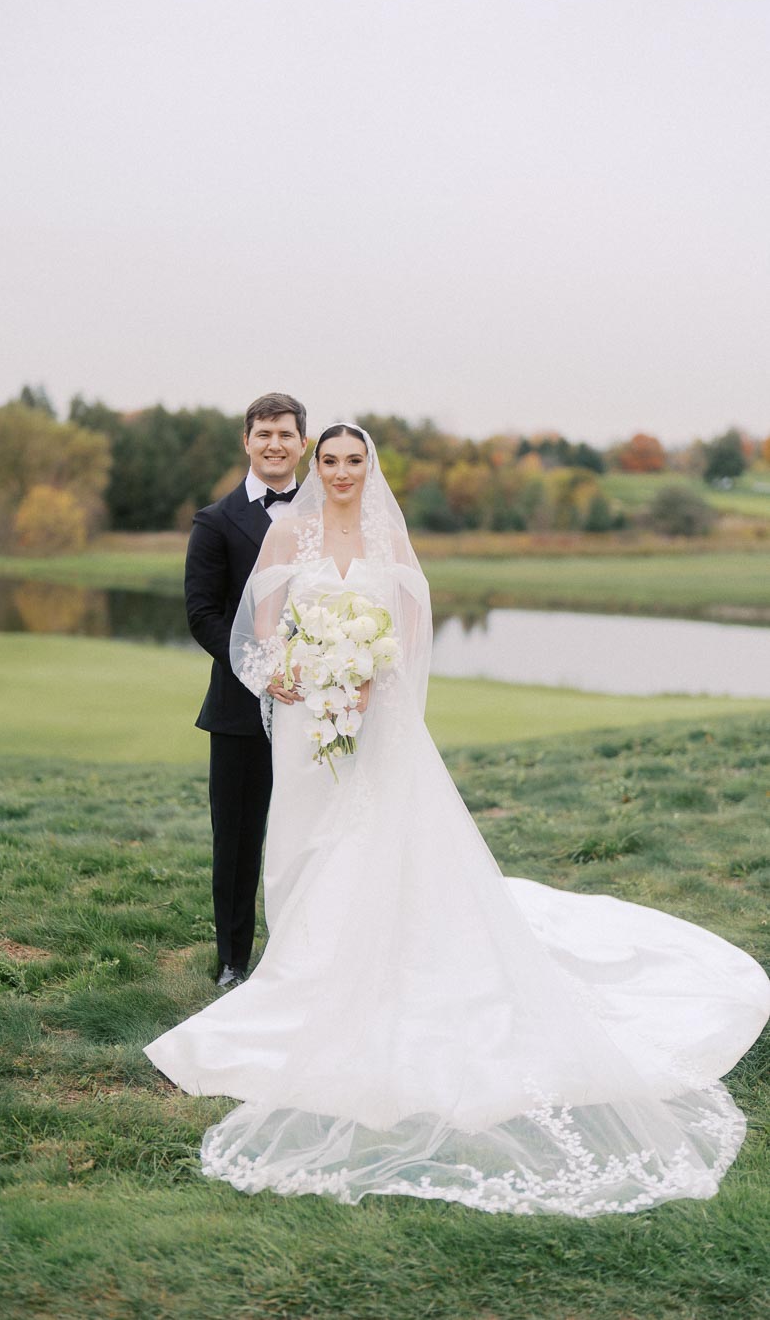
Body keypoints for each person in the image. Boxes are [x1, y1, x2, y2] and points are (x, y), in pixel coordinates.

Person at [147, 424, 770, 1216]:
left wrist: (372, 682)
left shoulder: (386, 538)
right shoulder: (286, 534)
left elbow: (408, 638)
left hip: (378, 720)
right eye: (329, 461)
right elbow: (257, 634)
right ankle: (296, 963)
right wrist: (294, 676)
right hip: (307, 724)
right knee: (304, 847)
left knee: (370, 843)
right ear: (315, 466)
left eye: (353, 461)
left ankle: (352, 971)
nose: (340, 472)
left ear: (369, 468)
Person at [183, 392, 307, 988]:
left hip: (319, 707)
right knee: (236, 839)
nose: (275, 444)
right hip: (239, 709)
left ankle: (309, 950)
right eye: (264, 434)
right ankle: (233, 960)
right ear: (247, 442)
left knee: (316, 832)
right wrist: (262, 670)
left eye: (285, 433)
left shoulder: (326, 516)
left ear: (302, 442)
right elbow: (202, 613)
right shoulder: (215, 521)